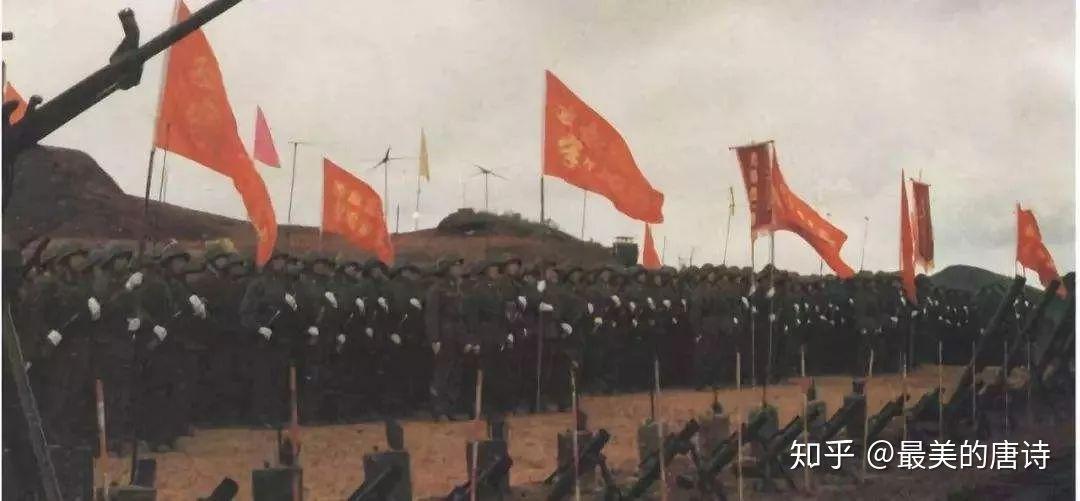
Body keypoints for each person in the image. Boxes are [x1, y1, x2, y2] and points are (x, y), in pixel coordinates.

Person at [425, 255, 468, 421]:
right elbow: (432, 316)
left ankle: (450, 408)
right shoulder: (437, 289)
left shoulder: (457, 288)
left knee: (455, 373)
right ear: (448, 269)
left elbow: (462, 316)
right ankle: (439, 409)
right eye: (455, 266)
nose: (459, 269)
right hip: (444, 334)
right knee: (442, 373)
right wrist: (434, 339)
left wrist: (465, 339)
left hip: (456, 335)